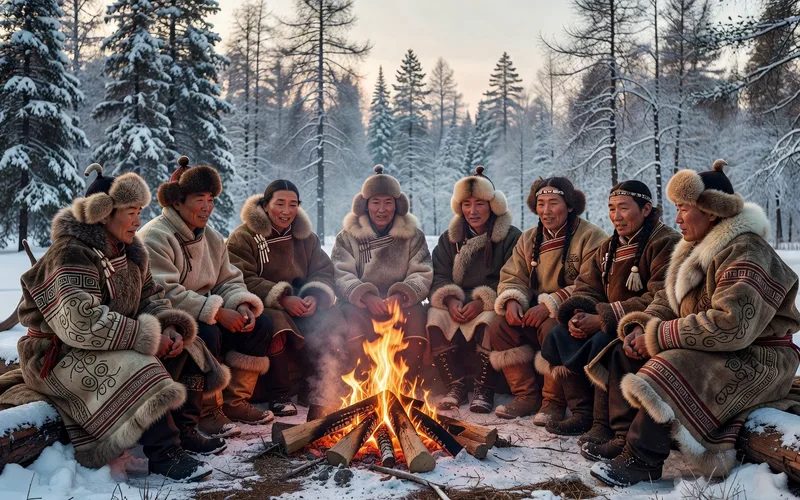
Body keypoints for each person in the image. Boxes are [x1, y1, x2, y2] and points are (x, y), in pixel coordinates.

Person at [587, 160, 800, 487]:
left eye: (684, 209)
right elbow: (669, 304)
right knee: (622, 351)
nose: (676, 218)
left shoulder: (747, 251)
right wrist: (642, 327)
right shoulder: (695, 249)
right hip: (719, 347)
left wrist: (658, 338)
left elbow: (732, 326)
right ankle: (623, 436)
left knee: (669, 365)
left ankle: (642, 458)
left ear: (712, 212)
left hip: (758, 359)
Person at [14, 165, 216, 481]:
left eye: (139, 211)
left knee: (192, 347)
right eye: (130, 212)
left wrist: (169, 326)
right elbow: (79, 322)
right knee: (140, 364)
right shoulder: (71, 251)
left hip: (104, 342)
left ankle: (185, 428)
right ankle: (164, 453)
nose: (138, 220)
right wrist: (145, 336)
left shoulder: (132, 251)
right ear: (104, 215)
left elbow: (150, 296)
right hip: (56, 355)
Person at [140, 156, 274, 439]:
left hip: (205, 308)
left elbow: (227, 279)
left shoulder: (211, 237)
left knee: (261, 324)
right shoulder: (156, 236)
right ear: (177, 202)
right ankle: (204, 413)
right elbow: (163, 292)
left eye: (211, 199)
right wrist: (216, 311)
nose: (207, 207)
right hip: (167, 316)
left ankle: (235, 402)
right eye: (199, 199)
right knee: (208, 333)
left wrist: (241, 304)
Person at [538, 181, 679, 440]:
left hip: (640, 324)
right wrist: (579, 315)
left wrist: (603, 318)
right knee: (560, 334)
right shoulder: (608, 247)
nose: (616, 216)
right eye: (612, 209)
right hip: (605, 316)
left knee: (605, 341)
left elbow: (661, 296)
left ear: (646, 209)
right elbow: (586, 286)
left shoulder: (666, 242)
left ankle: (605, 424)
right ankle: (583, 413)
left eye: (623, 208)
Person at [227, 180, 350, 415]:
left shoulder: (306, 237)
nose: (286, 211)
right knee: (276, 322)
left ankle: (316, 386)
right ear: (265, 205)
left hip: (301, 301)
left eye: (293, 204)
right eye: (279, 203)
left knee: (330, 316)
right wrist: (282, 298)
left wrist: (314, 295)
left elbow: (323, 270)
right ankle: (279, 394)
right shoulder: (244, 237)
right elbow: (240, 276)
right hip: (263, 303)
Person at [489, 177, 606, 419]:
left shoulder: (591, 236)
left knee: (553, 328)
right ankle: (526, 396)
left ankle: (553, 401)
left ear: (570, 206)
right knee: (498, 325)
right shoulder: (529, 238)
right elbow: (513, 274)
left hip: (568, 312)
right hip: (531, 312)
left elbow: (591, 284)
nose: (546, 211)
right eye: (541, 204)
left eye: (553, 203)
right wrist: (512, 300)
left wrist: (549, 305)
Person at [427, 167, 521, 413]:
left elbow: (513, 277)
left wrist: (482, 302)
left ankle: (483, 387)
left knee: (490, 319)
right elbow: (439, 275)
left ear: (493, 205)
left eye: (479, 203)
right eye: (467, 204)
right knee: (434, 316)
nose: (473, 211)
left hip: (490, 302)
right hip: (457, 303)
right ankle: (455, 385)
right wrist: (449, 300)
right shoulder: (450, 239)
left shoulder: (510, 237)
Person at [331, 165, 433, 385]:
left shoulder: (413, 236)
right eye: (375, 202)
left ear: (397, 205)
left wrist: (400, 296)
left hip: (402, 302)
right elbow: (341, 273)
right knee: (351, 317)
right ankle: (364, 380)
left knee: (416, 317)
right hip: (360, 302)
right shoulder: (348, 237)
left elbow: (422, 272)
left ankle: (406, 381)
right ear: (365, 205)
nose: (382, 209)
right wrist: (366, 297)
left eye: (388, 202)